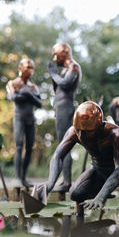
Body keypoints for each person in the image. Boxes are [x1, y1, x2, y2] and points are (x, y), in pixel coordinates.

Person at [36, 101, 119, 210]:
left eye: (87, 131)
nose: (81, 135)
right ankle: (102, 189)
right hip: (99, 172)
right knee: (76, 194)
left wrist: (101, 197)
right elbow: (58, 156)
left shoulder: (115, 133)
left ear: (99, 126)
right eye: (79, 130)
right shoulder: (73, 132)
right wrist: (50, 183)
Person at [47, 43, 82, 191]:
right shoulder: (64, 71)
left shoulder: (73, 67)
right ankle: (64, 179)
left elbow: (66, 84)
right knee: (62, 142)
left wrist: (53, 74)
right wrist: (54, 76)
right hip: (60, 106)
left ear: (64, 53)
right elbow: (57, 88)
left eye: (56, 54)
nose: (55, 58)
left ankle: (67, 182)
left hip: (66, 106)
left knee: (65, 143)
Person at [6, 58, 42, 187]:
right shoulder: (12, 83)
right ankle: (17, 178)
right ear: (20, 68)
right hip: (19, 118)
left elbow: (39, 103)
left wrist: (27, 94)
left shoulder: (33, 87)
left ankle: (23, 177)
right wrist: (26, 94)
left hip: (30, 119)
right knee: (19, 146)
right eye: (28, 67)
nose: (31, 70)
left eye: (32, 68)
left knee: (29, 148)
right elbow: (13, 97)